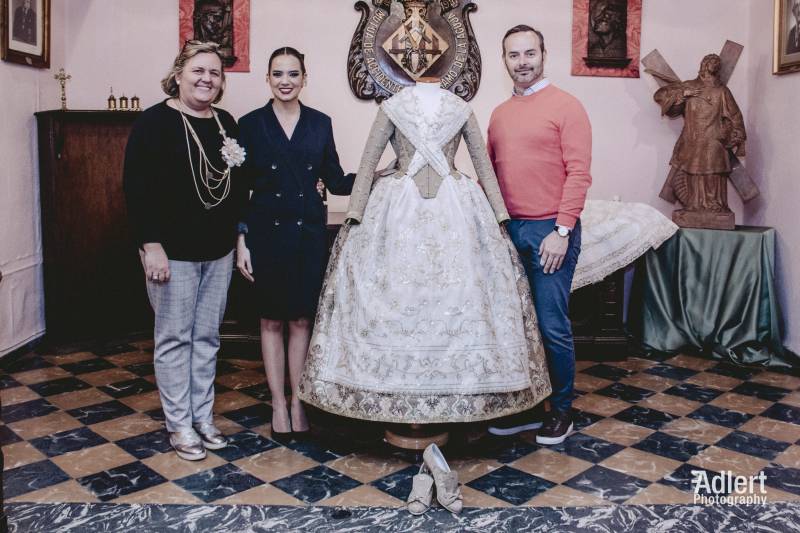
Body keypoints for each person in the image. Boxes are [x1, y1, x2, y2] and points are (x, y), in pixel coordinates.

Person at [297, 79, 552, 424]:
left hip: (433, 206)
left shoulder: (422, 107)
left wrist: (499, 212)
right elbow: (372, 159)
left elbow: (481, 162)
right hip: (418, 207)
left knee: (457, 299)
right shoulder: (421, 107)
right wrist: (356, 210)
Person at [123, 41, 246, 461]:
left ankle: (203, 417)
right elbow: (136, 189)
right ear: (179, 74)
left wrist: (239, 238)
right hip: (171, 253)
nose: (206, 78)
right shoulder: (154, 123)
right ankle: (180, 425)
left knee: (208, 338)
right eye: (198, 70)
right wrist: (150, 244)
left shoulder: (226, 123)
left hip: (218, 251)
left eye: (214, 72)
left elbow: (237, 189)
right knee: (175, 338)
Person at [236, 47, 355, 441]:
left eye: (293, 74)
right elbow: (239, 189)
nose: (285, 80)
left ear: (305, 78)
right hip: (265, 235)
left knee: (302, 320)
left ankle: (299, 400)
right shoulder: (249, 124)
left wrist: (378, 172)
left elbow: (336, 180)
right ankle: (277, 402)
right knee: (270, 320)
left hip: (307, 236)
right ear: (267, 79)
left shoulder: (320, 123)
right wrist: (242, 241)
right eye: (277, 74)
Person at [486, 25, 592, 445]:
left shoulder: (567, 106)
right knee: (519, 327)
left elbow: (579, 173)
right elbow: (491, 176)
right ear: (505, 60)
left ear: (543, 55)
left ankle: (561, 412)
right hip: (511, 230)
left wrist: (562, 231)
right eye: (514, 55)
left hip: (552, 231)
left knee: (551, 325)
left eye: (530, 53)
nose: (523, 62)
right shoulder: (498, 113)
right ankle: (528, 408)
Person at [654, 53, 746, 215]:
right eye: (710, 62)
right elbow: (662, 99)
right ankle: (695, 205)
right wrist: (683, 95)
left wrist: (736, 135)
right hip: (693, 139)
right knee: (693, 173)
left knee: (713, 173)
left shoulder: (722, 91)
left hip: (714, 140)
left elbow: (735, 115)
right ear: (703, 65)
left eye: (716, 63)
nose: (713, 65)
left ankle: (715, 206)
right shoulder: (689, 86)